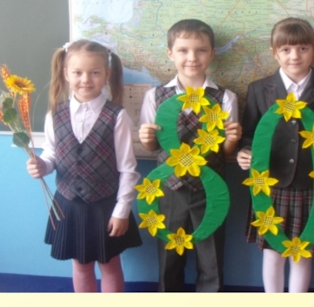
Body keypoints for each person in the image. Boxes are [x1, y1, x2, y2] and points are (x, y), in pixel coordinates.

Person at [236, 17, 314, 293]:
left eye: (302, 48)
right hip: (269, 185)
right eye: (286, 49)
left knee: (302, 253)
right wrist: (244, 152)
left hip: (312, 185)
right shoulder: (259, 89)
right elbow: (250, 134)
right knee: (273, 253)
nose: (294, 56)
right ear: (274, 53)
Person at [27, 39, 142, 293]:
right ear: (66, 73)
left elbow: (127, 169)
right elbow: (52, 154)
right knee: (80, 265)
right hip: (69, 204)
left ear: (107, 75)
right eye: (78, 72)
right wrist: (43, 166)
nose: (86, 79)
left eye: (95, 73)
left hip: (106, 205)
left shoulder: (117, 116)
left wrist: (122, 210)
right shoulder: (54, 114)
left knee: (110, 265)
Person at [139, 19, 242, 292]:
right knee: (169, 256)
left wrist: (232, 141)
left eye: (201, 50)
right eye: (183, 50)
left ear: (213, 53)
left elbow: (226, 152)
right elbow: (152, 147)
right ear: (170, 53)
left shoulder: (225, 98)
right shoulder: (155, 96)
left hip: (211, 189)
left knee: (211, 256)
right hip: (169, 189)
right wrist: (146, 139)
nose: (192, 58)